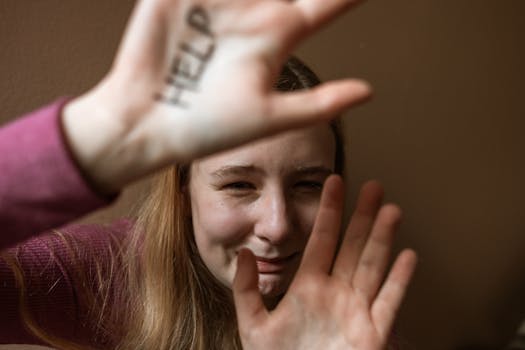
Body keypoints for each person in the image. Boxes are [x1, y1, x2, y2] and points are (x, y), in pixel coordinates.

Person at [0, 0, 417, 349]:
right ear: (183, 191)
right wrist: (95, 138)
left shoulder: (352, 325)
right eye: (239, 185)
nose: (278, 226)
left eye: (307, 185)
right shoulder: (103, 278)